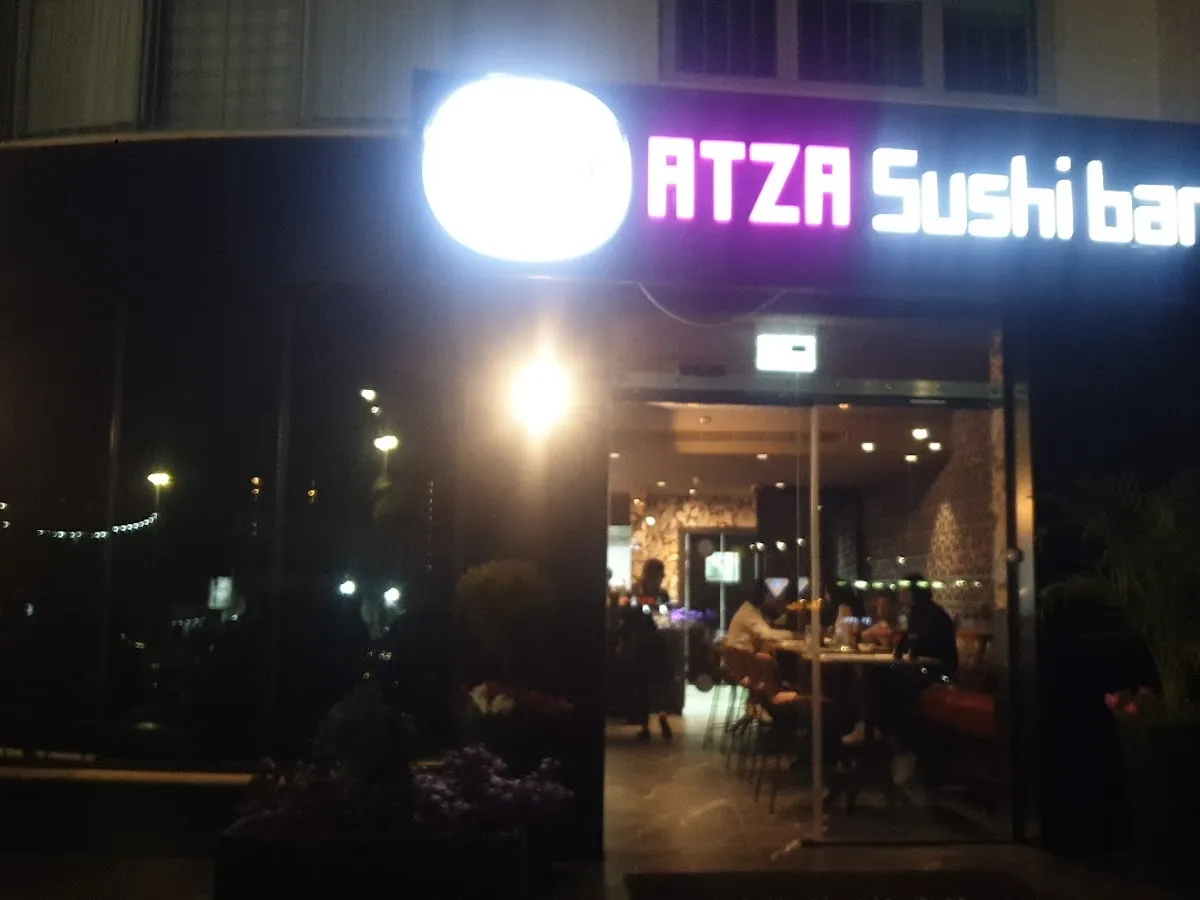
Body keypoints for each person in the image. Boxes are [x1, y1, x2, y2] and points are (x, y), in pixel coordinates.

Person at [841, 574, 957, 787]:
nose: (900, 595)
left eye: (904, 591)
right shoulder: (919, 613)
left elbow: (923, 645)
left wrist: (904, 645)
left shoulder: (930, 614)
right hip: (923, 668)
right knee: (879, 676)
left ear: (913, 592)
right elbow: (910, 645)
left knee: (885, 681)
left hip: (936, 673)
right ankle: (874, 730)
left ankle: (897, 747)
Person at [620, 559, 673, 742]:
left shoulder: (636, 592)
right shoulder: (662, 594)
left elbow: (627, 615)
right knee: (659, 682)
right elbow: (664, 618)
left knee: (642, 684)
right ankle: (661, 715)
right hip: (656, 642)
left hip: (639, 642)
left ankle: (645, 725)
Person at [725, 580, 795, 652]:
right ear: (764, 596)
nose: (780, 598)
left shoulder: (750, 609)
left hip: (743, 655)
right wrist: (795, 635)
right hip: (742, 657)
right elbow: (768, 634)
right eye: (774, 595)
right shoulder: (748, 612)